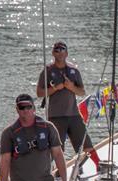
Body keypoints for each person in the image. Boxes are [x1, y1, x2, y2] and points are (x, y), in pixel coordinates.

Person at [36, 39, 100, 169]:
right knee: (57, 148)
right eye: (56, 50)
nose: (59, 52)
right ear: (53, 53)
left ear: (67, 53)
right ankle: (57, 172)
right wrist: (55, 88)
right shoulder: (47, 71)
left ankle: (99, 165)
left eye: (62, 50)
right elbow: (39, 93)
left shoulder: (73, 70)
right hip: (55, 116)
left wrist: (71, 86)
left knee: (85, 142)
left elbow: (82, 92)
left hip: (73, 114)